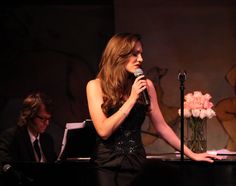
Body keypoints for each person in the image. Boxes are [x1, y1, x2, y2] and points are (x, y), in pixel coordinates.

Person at [86, 33, 222, 186]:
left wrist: (192, 154)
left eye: (141, 54)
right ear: (119, 55)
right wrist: (131, 99)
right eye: (135, 54)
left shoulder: (146, 85)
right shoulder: (95, 86)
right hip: (106, 167)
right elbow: (104, 131)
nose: (141, 59)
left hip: (136, 164)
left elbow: (162, 127)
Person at [0, 91, 57, 166]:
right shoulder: (11, 138)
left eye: (48, 119)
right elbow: (8, 168)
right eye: (42, 118)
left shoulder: (47, 140)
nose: (47, 123)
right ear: (29, 115)